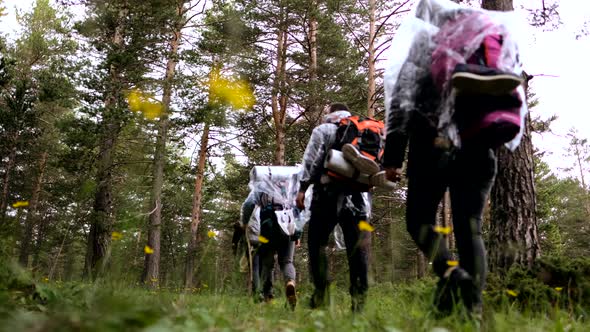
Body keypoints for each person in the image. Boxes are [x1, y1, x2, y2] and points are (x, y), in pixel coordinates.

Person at [382, 0, 527, 318]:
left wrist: (392, 157)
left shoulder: (425, 41)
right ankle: (471, 312)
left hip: (430, 146)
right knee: (469, 229)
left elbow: (401, 102)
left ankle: (453, 274)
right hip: (479, 146)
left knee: (418, 221)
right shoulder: (486, 37)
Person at [296, 103, 372, 313]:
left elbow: (311, 161)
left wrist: (302, 189)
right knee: (357, 250)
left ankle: (321, 290)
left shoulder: (323, 130)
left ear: (329, 113)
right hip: (357, 198)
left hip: (326, 194)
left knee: (316, 243)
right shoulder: (363, 129)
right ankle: (359, 303)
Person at [241, 166, 302, 309]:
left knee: (267, 263)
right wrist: (297, 232)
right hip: (288, 226)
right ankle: (290, 282)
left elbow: (248, 205)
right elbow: (300, 207)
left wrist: (244, 223)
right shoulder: (292, 186)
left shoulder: (263, 184)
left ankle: (268, 296)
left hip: (268, 228)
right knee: (287, 261)